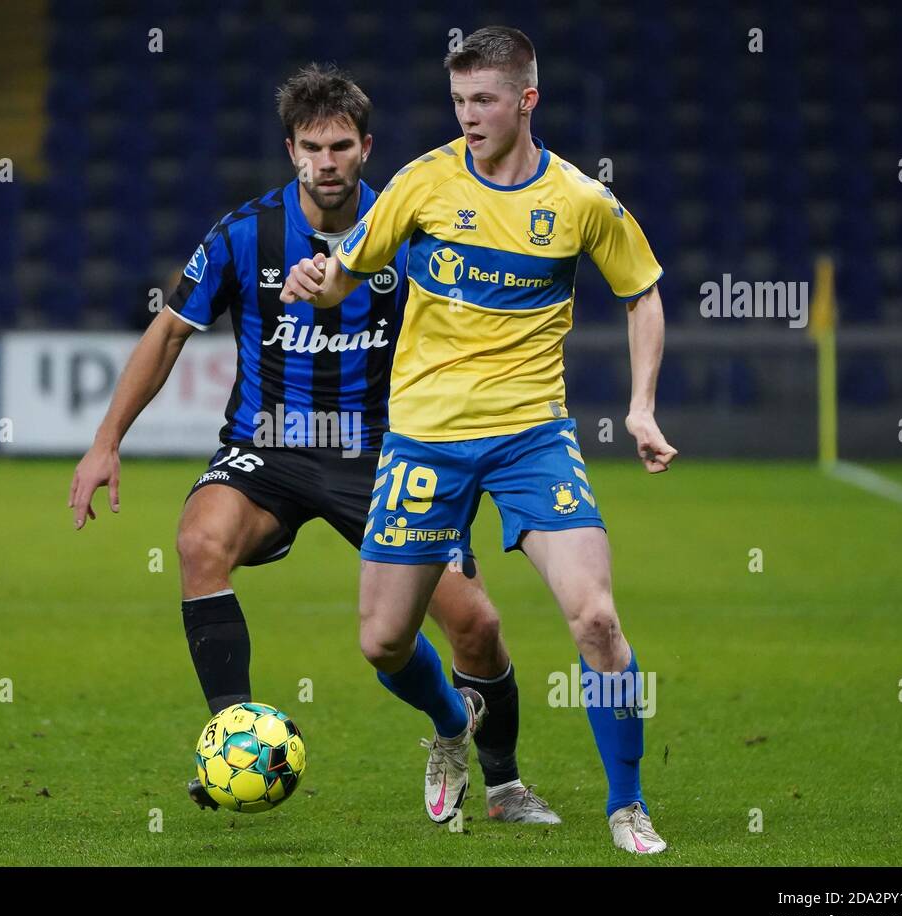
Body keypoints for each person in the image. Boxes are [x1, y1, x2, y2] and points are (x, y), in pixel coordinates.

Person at [70, 63, 559, 825]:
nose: (324, 163)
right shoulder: (246, 233)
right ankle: (231, 733)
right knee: (199, 542)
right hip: (269, 447)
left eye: (339, 147)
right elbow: (169, 332)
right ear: (291, 150)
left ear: (366, 147)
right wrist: (105, 442)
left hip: (385, 453)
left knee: (476, 625)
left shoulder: (413, 226)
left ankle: (496, 776)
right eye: (309, 147)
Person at [279, 29, 676, 853]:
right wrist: (316, 282)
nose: (468, 116)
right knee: (384, 640)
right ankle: (451, 725)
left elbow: (642, 294)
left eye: (484, 101)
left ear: (526, 100)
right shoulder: (422, 184)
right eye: (458, 101)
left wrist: (640, 407)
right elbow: (346, 274)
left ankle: (627, 805)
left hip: (533, 437)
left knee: (597, 620)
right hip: (425, 441)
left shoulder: (578, 200)